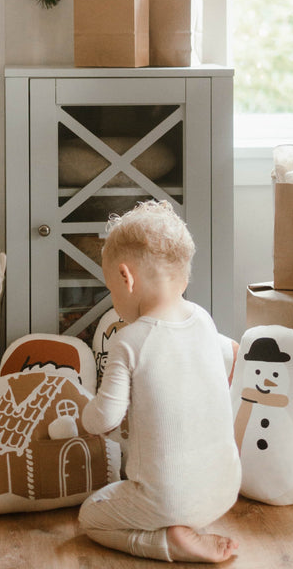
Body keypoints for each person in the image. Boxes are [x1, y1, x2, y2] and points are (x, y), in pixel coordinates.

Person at [79, 200, 241, 563]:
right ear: (183, 276)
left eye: (111, 289)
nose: (114, 299)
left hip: (168, 499)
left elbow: (103, 420)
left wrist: (82, 414)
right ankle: (186, 526)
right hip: (225, 489)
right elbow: (228, 355)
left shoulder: (129, 341)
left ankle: (169, 542)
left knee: (91, 515)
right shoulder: (203, 319)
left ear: (126, 277)